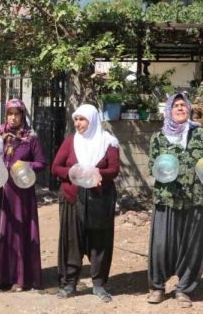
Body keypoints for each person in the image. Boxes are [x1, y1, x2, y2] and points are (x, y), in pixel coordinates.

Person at [51, 104, 120, 302]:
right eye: (76, 119)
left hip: (100, 199)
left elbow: (114, 169)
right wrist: (73, 174)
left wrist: (99, 173)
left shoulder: (109, 142)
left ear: (92, 120)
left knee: (99, 241)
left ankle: (98, 284)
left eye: (82, 119)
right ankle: (70, 283)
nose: (78, 123)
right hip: (73, 199)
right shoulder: (71, 141)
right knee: (72, 240)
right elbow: (56, 167)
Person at [0, 98, 46, 291]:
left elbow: (42, 163)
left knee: (18, 232)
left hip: (20, 194)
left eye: (17, 114)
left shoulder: (30, 137)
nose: (13, 118)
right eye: (10, 113)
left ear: (22, 115)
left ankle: (20, 278)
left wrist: (26, 165)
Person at [146, 93, 203, 308]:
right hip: (166, 198)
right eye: (176, 105)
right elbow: (151, 164)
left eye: (183, 105)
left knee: (192, 246)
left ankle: (185, 289)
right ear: (169, 110)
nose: (180, 109)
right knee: (161, 244)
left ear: (189, 109)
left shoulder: (199, 134)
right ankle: (157, 287)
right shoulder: (158, 137)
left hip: (194, 198)